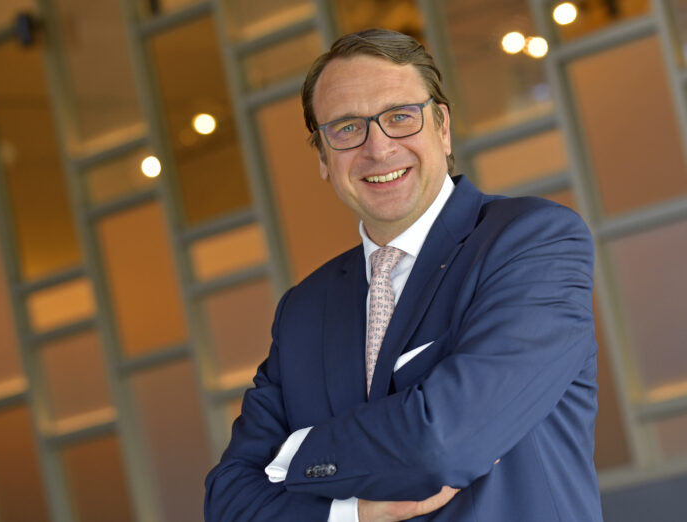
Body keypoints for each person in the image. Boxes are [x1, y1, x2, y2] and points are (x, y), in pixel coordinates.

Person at [204, 28, 603, 521]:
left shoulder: (532, 242)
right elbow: (228, 503)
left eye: (399, 117)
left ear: (442, 127)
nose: (378, 148)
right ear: (323, 158)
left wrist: (295, 455)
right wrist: (350, 515)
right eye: (346, 128)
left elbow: (443, 444)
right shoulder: (302, 311)